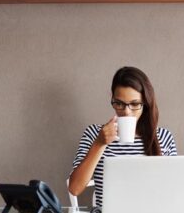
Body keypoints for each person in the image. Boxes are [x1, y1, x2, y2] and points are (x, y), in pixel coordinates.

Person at [68, 66, 177, 209]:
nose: (126, 112)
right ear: (112, 99)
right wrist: (99, 144)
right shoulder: (94, 134)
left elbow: (174, 192)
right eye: (119, 103)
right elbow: (75, 188)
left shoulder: (163, 137)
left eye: (135, 104)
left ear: (146, 103)